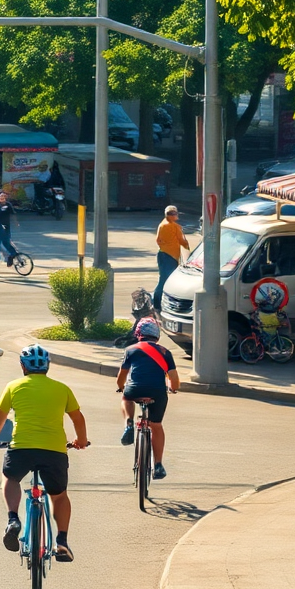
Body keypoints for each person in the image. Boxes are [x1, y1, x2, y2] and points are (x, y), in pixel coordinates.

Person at [0, 344, 88, 562]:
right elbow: (77, 418)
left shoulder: (14, 386)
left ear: (23, 366)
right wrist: (80, 441)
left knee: (10, 478)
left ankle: (13, 519)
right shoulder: (62, 388)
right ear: (47, 366)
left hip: (22, 448)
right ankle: (62, 541)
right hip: (54, 452)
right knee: (59, 496)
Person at [117, 318, 180, 479]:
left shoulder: (131, 350)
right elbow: (174, 379)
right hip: (157, 392)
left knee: (126, 398)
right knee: (156, 426)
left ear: (138, 334)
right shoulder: (166, 352)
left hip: (135, 389)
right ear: (157, 335)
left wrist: (121, 387)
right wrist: (173, 388)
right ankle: (158, 465)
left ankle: (129, 423)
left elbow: (121, 377)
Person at [153, 205, 189, 310]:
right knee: (166, 281)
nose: (175, 215)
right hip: (171, 256)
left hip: (162, 254)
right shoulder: (174, 226)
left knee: (163, 279)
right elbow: (182, 241)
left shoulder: (162, 225)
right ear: (171, 215)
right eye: (173, 213)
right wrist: (187, 248)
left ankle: (157, 302)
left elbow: (158, 240)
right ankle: (158, 304)